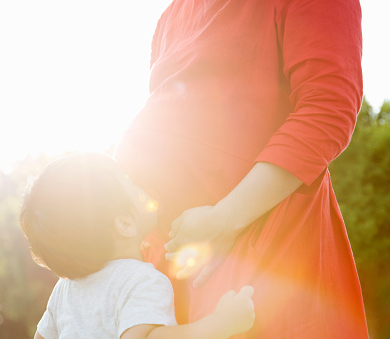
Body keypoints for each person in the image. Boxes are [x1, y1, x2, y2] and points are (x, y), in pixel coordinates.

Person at [114, 0, 369, 337]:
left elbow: (327, 108)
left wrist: (224, 219)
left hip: (262, 250)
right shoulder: (173, 14)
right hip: (171, 262)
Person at [19, 152, 255, 339]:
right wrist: (220, 325)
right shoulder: (141, 280)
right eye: (128, 182)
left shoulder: (64, 290)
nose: (138, 185)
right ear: (125, 223)